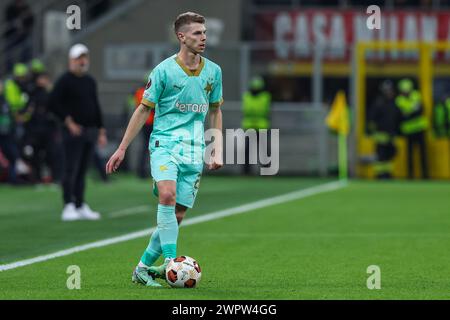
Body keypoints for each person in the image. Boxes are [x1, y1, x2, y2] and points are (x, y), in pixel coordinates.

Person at [106, 12, 224, 287]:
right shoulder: (163, 71)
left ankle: (143, 268)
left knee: (177, 214)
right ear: (181, 37)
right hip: (165, 143)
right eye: (197, 33)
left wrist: (216, 147)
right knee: (167, 195)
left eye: (204, 32)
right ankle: (172, 262)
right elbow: (142, 109)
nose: (203, 37)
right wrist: (122, 148)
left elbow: (216, 110)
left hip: (194, 150)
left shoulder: (214, 72)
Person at [49, 43, 108, 221]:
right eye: (78, 58)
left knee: (83, 170)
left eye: (84, 57)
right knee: (70, 169)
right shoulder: (64, 80)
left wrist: (101, 130)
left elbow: (95, 106)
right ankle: (68, 205)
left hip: (89, 131)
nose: (82, 61)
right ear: (71, 61)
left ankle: (80, 204)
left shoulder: (90, 81)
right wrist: (69, 122)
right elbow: (53, 104)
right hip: (72, 132)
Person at [395, 78, 429, 179]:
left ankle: (425, 175)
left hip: (420, 129)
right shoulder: (399, 100)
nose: (406, 92)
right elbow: (401, 116)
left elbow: (420, 111)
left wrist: (409, 113)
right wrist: (412, 111)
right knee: (409, 155)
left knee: (423, 154)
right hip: (409, 131)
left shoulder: (416, 95)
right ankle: (410, 175)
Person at [368, 80, 401, 179]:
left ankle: (387, 173)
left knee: (390, 155)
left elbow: (397, 118)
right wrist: (373, 131)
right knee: (381, 156)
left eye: (390, 90)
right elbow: (372, 118)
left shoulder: (394, 103)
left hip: (391, 134)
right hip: (380, 134)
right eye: (387, 90)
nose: (389, 92)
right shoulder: (379, 103)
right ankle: (380, 174)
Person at [241, 75, 271, 175]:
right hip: (253, 126)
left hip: (260, 126)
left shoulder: (264, 97)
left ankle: (265, 171)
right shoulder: (263, 96)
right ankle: (247, 172)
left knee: (263, 151)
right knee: (249, 151)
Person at [0, 80, 19, 184]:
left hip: (7, 133)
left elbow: (10, 116)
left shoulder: (5, 100)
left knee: (12, 155)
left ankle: (12, 178)